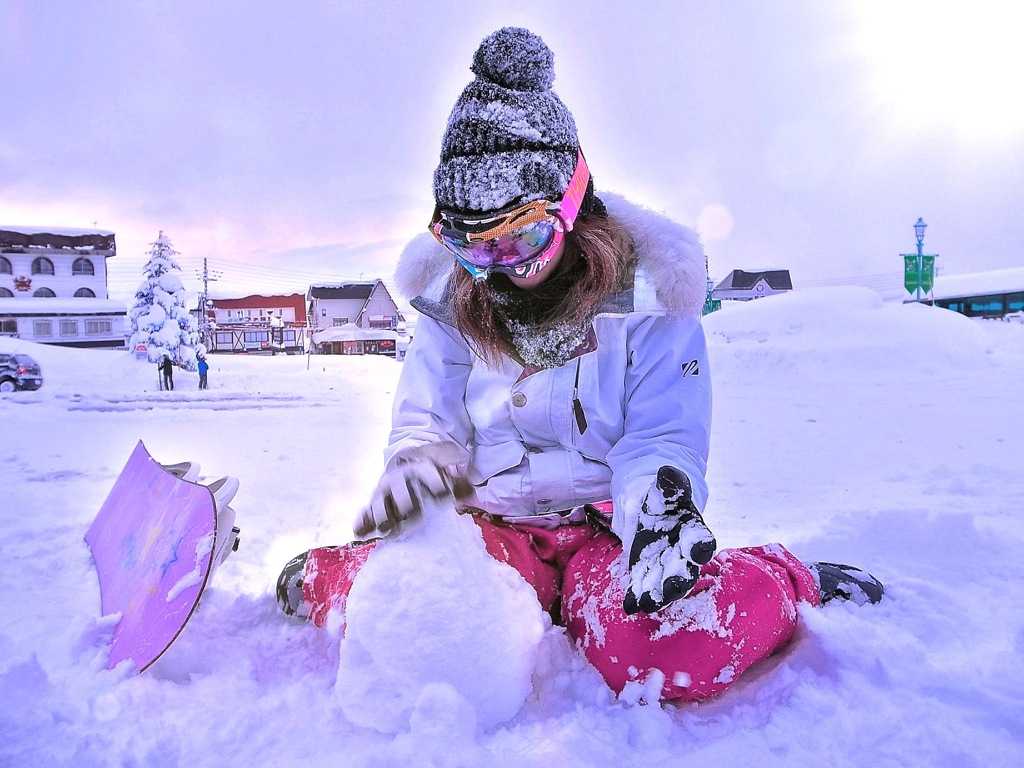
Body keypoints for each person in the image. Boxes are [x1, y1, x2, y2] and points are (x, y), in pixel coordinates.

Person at [277, 27, 883, 703]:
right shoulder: (451, 304)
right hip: (491, 533)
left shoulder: (652, 301)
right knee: (411, 624)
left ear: (570, 204)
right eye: (474, 245)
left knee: (673, 653)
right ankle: (339, 571)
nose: (500, 265)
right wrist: (416, 482)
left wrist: (658, 509)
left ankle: (785, 578)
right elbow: (427, 426)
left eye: (523, 235)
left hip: (608, 534)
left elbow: (659, 435)